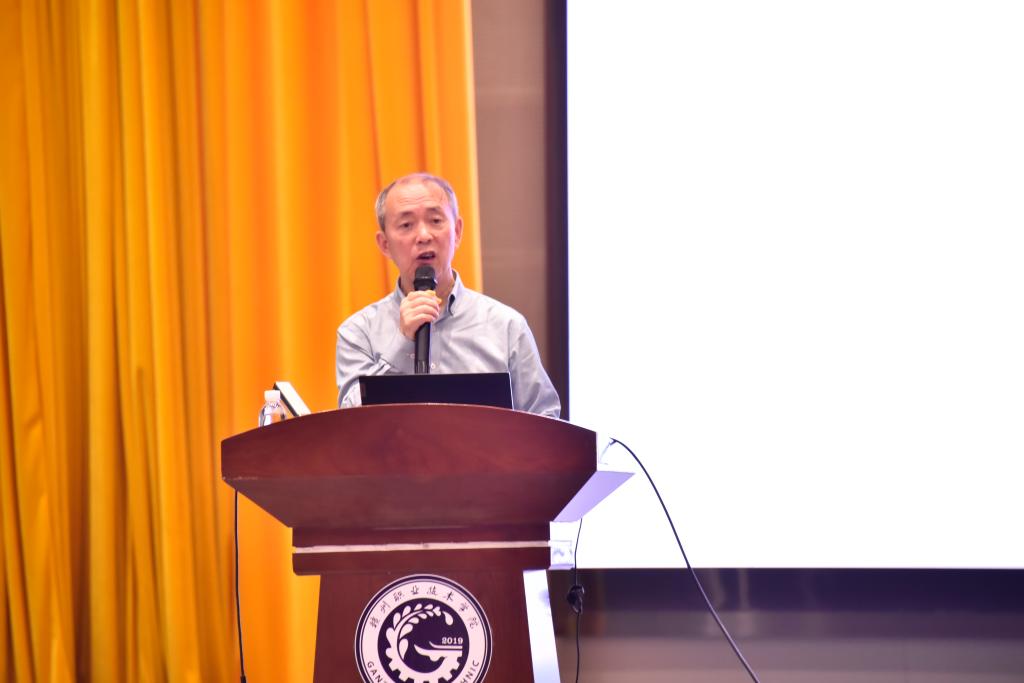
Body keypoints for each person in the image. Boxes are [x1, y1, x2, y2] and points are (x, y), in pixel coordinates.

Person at [336, 172, 561, 418]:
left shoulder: (506, 326)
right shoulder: (358, 332)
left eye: (435, 220)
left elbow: (545, 419)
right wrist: (402, 343)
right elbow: (350, 424)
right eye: (406, 225)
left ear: (458, 231)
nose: (424, 236)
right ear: (385, 244)